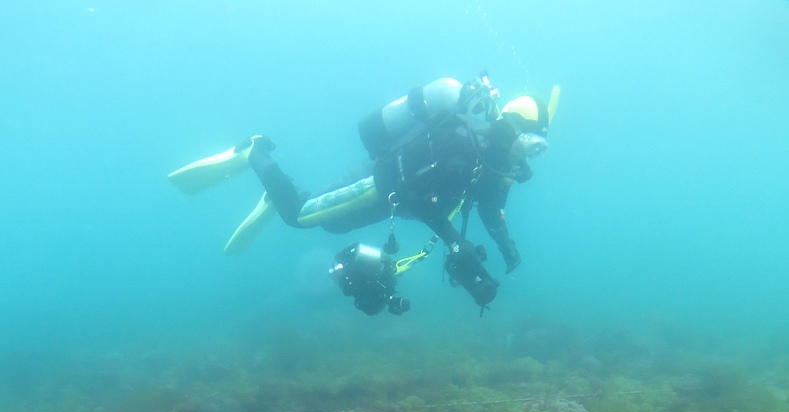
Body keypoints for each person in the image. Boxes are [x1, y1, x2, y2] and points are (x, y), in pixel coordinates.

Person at [169, 75, 559, 314]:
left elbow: (490, 208)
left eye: (539, 149)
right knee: (300, 216)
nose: (529, 157)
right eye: (531, 144)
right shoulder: (463, 148)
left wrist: (506, 248)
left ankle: (278, 193)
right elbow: (428, 202)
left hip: (390, 200)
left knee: (333, 228)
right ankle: (253, 152)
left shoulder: (490, 165)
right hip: (379, 184)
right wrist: (456, 243)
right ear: (511, 127)